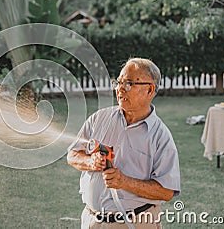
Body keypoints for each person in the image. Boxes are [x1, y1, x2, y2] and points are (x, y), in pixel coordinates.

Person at [67, 58, 180, 228]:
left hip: (134, 222)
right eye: (118, 82)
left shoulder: (160, 136)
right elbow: (73, 154)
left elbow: (166, 191)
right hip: (92, 221)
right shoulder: (99, 118)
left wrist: (124, 182)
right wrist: (90, 162)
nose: (120, 89)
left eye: (128, 84)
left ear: (149, 90)